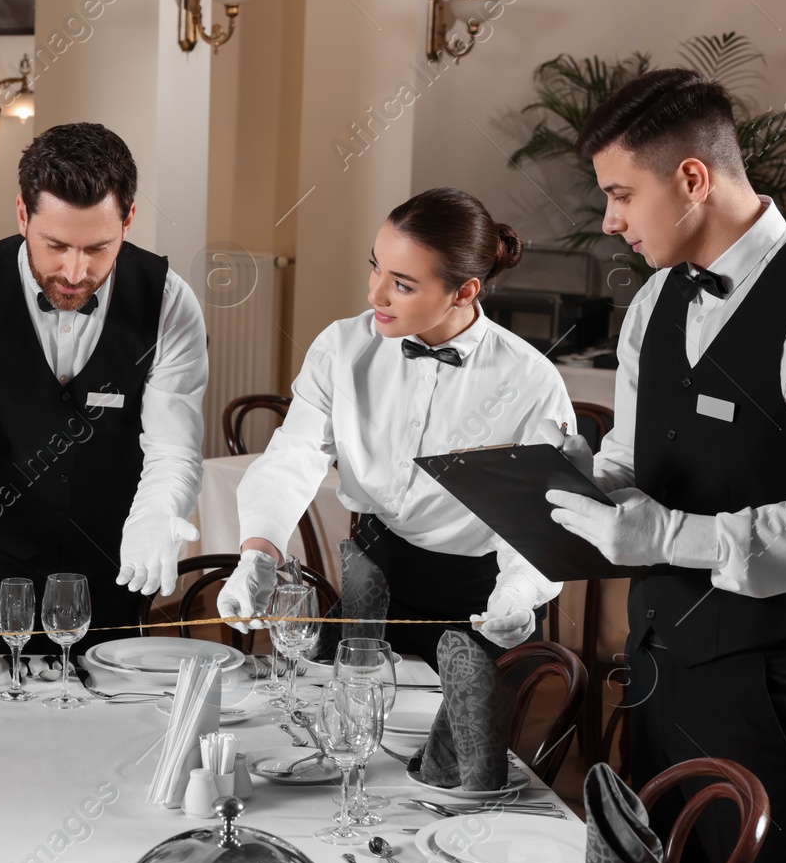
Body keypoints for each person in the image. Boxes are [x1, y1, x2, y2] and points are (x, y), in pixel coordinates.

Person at [545, 68, 786, 863]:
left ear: (694, 180)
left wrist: (669, 533)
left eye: (623, 194)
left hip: (779, 679)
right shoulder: (656, 303)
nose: (613, 220)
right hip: (662, 658)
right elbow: (630, 457)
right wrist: (575, 480)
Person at [217, 187, 572, 668]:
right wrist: (258, 555)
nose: (374, 293)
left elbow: (541, 519)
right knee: (335, 729)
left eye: (403, 284)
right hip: (375, 570)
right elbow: (293, 455)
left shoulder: (529, 379)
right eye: (376, 267)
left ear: (464, 291)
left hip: (482, 594)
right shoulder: (342, 347)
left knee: (456, 743)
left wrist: (518, 592)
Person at [0, 122, 207, 658]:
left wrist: (156, 514)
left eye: (97, 248)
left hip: (113, 559)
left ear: (129, 219)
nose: (75, 271)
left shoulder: (169, 303)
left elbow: (172, 447)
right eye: (56, 245)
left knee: (108, 723)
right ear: (22, 214)